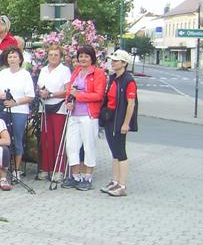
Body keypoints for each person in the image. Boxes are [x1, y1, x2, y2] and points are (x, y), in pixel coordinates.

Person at [62, 45, 107, 191]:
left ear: (92, 58)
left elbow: (98, 95)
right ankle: (75, 176)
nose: (83, 59)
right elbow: (69, 91)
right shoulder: (76, 72)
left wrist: (79, 96)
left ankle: (88, 177)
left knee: (89, 146)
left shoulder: (98, 74)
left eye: (86, 56)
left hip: (89, 115)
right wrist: (68, 101)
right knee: (71, 145)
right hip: (74, 114)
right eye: (81, 56)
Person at [0, 46, 36, 179]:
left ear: (20, 59)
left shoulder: (25, 74)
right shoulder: (3, 73)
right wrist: (1, 97)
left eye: (15, 56)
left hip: (19, 111)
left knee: (17, 139)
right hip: (3, 109)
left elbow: (30, 96)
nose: (12, 59)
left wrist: (15, 102)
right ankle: (2, 167)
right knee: (2, 139)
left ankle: (17, 169)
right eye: (10, 56)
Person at [101, 49, 139, 197]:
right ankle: (115, 181)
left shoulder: (128, 80)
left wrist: (126, 123)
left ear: (124, 63)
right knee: (114, 152)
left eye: (116, 60)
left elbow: (131, 104)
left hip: (119, 120)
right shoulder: (113, 78)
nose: (113, 62)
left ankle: (122, 185)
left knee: (120, 152)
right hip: (110, 118)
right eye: (112, 60)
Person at [36, 44, 71, 181]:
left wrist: (51, 94)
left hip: (59, 108)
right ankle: (46, 168)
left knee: (58, 139)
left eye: (56, 55)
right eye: (50, 54)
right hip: (44, 107)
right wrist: (42, 92)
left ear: (60, 57)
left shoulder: (65, 70)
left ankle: (59, 170)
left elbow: (67, 90)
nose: (53, 57)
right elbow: (40, 87)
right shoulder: (43, 70)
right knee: (46, 139)